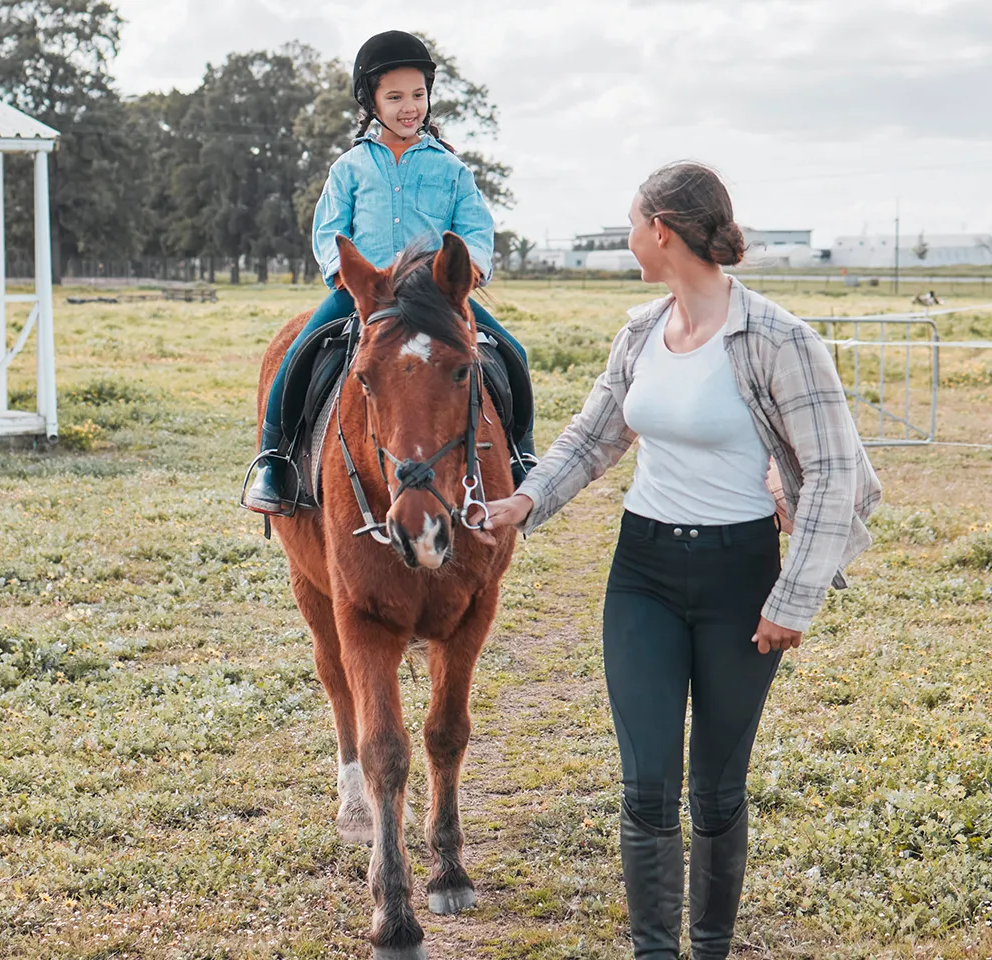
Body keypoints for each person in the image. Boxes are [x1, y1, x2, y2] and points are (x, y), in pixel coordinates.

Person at [483, 163, 882, 958]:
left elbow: (839, 470)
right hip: (644, 572)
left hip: (742, 577)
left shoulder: (778, 339)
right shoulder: (639, 331)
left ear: (661, 229)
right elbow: (594, 436)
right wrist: (525, 502)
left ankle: (709, 948)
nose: (628, 236)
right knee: (646, 785)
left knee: (717, 789)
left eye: (631, 222)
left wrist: (792, 599)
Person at [241, 29, 532, 516]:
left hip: (436, 296)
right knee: (297, 355)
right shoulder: (349, 168)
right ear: (371, 101)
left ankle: (520, 455)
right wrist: (342, 275)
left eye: (417, 95)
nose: (408, 106)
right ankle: (275, 460)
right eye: (394, 96)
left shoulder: (453, 170)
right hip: (369, 294)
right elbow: (329, 229)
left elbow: (476, 229)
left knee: (512, 353)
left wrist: (473, 267)